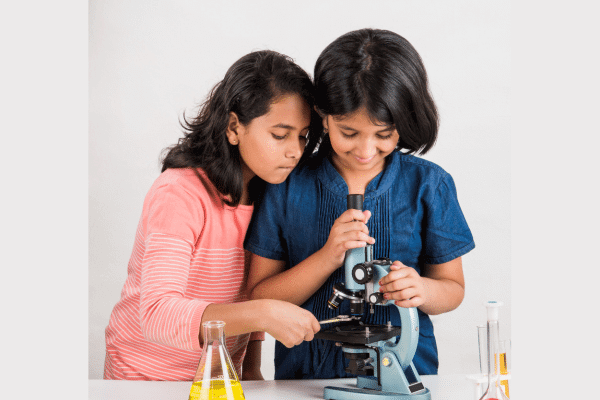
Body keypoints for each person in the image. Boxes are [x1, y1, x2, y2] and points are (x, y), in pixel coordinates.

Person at [244, 29, 475, 379]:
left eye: (383, 134)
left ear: (407, 120)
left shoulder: (429, 185)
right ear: (323, 115)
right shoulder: (287, 185)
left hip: (408, 371)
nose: (366, 151)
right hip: (306, 375)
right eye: (349, 133)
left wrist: (421, 288)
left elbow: (452, 290)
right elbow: (259, 294)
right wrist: (327, 258)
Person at [104, 50, 322, 381]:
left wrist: (250, 367)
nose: (295, 151)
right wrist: (263, 313)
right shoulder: (179, 193)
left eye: (303, 137)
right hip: (145, 377)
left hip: (218, 378)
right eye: (280, 134)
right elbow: (157, 315)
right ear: (234, 127)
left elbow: (251, 288)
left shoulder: (269, 192)